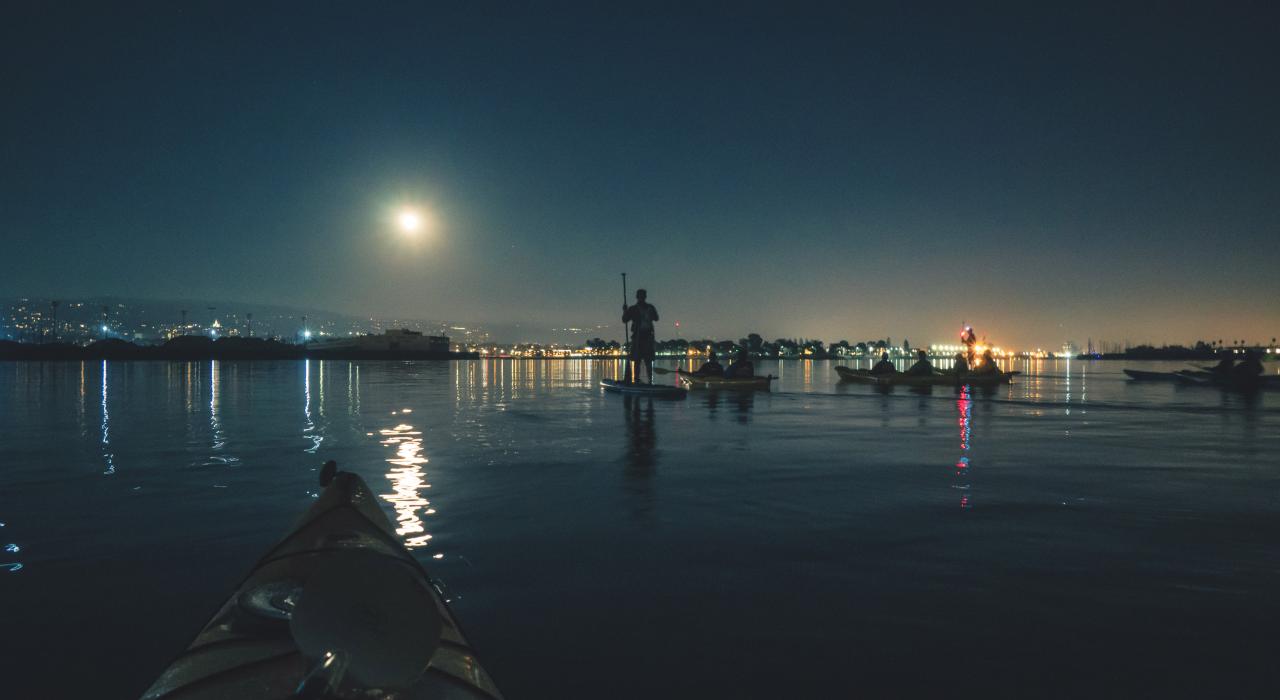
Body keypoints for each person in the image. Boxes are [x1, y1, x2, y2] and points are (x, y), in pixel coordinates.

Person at [622, 289, 659, 384]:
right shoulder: (634, 309)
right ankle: (638, 380)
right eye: (641, 296)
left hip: (647, 337)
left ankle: (649, 380)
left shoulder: (649, 307)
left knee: (647, 359)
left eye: (643, 296)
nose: (642, 298)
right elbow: (625, 319)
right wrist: (625, 311)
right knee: (638, 359)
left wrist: (626, 312)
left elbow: (656, 318)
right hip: (638, 337)